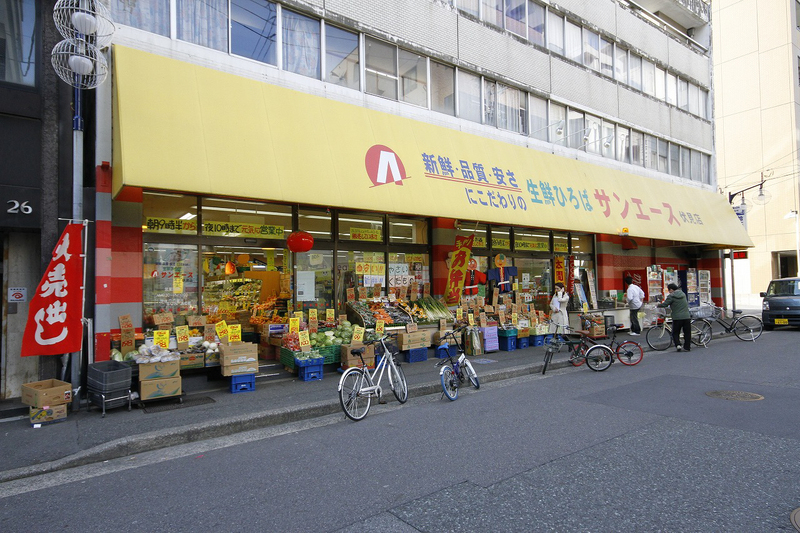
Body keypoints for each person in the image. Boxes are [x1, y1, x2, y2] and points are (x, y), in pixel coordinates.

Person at [657, 282, 691, 352]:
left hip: (677, 317)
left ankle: (678, 345)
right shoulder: (683, 294)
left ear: (671, 289)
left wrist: (657, 305)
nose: (669, 292)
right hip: (686, 316)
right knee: (687, 333)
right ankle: (687, 347)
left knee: (675, 332)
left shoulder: (671, 296)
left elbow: (665, 304)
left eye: (669, 290)